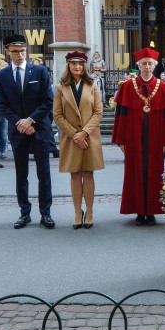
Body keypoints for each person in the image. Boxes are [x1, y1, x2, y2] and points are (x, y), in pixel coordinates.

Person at [111, 48, 165, 226]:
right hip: (133, 136)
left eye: (150, 64)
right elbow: (121, 115)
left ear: (155, 66)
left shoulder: (164, 87)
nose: (147, 67)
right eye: (143, 64)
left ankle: (152, 211)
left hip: (157, 138)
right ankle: (139, 210)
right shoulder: (127, 87)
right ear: (138, 65)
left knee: (156, 172)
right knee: (134, 172)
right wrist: (121, 140)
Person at [0, 34, 55, 229]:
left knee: (43, 172)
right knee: (21, 173)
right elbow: (2, 105)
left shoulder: (39, 71)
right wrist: (20, 123)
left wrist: (30, 120)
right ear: (7, 52)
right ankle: (24, 212)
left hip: (39, 128)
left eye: (22, 51)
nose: (20, 55)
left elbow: (48, 101)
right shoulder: (2, 76)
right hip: (17, 131)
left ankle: (45, 213)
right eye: (15, 52)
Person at [54, 51, 104, 229]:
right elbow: (57, 115)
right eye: (74, 64)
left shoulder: (93, 86)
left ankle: (89, 211)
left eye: (81, 64)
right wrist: (75, 134)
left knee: (88, 173)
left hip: (89, 137)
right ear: (68, 65)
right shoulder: (61, 88)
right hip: (70, 138)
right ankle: (77, 211)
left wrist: (84, 133)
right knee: (75, 174)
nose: (77, 67)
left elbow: (98, 113)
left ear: (85, 67)